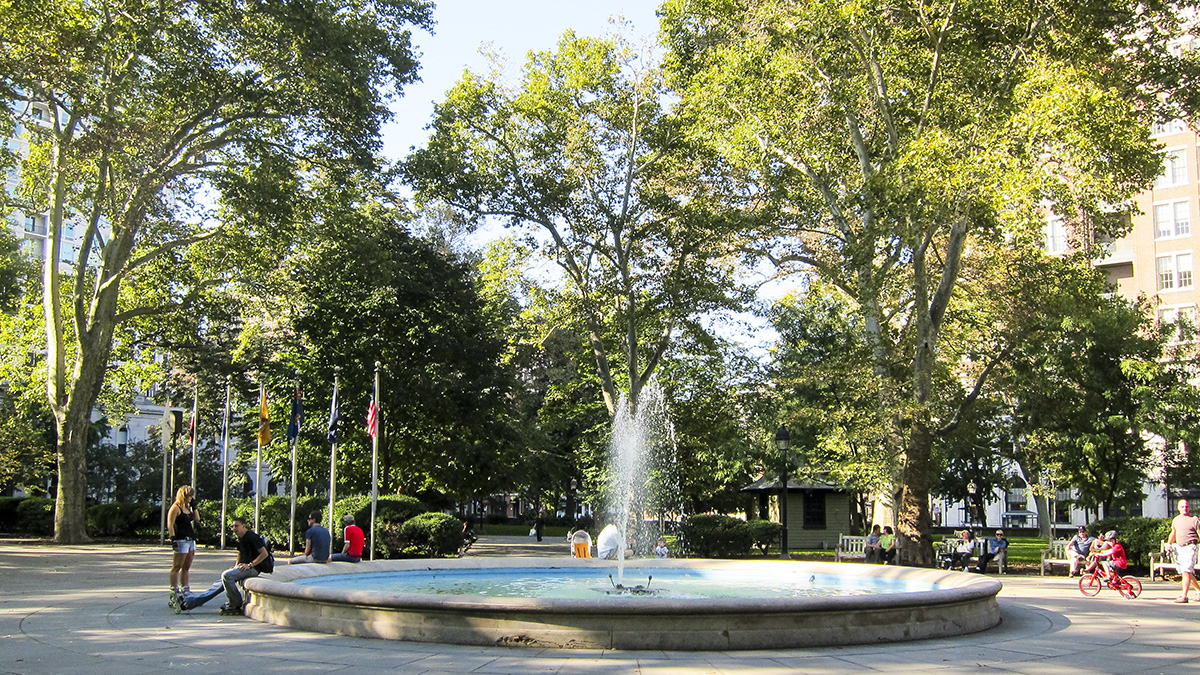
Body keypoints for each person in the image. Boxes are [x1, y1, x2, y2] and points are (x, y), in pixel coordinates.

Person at [220, 517, 273, 615]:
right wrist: (235, 566)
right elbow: (240, 554)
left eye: (236, 526)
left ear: (244, 526)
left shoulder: (252, 537)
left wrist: (250, 565)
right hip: (244, 567)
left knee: (226, 576)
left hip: (254, 569)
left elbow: (264, 553)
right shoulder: (242, 538)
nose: (234, 528)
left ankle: (235, 604)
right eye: (233, 526)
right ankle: (194, 601)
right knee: (223, 580)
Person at [166, 485, 200, 602]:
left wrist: (194, 507)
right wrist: (173, 539)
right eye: (188, 495)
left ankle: (185, 588)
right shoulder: (176, 508)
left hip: (190, 539)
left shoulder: (187, 508)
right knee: (177, 566)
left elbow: (197, 519)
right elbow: (170, 524)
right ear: (183, 495)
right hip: (181, 539)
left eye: (191, 496)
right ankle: (174, 590)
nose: (190, 498)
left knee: (186, 566)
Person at [1167, 499, 1200, 603]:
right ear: (1178, 508)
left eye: (1186, 506)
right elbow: (1173, 532)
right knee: (1185, 572)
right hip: (1179, 547)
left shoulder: (1194, 520)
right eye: (1182, 507)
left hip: (1190, 547)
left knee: (1186, 571)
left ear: (1189, 508)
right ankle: (1199, 591)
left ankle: (1184, 596)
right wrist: (1169, 543)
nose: (1184, 508)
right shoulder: (1176, 520)